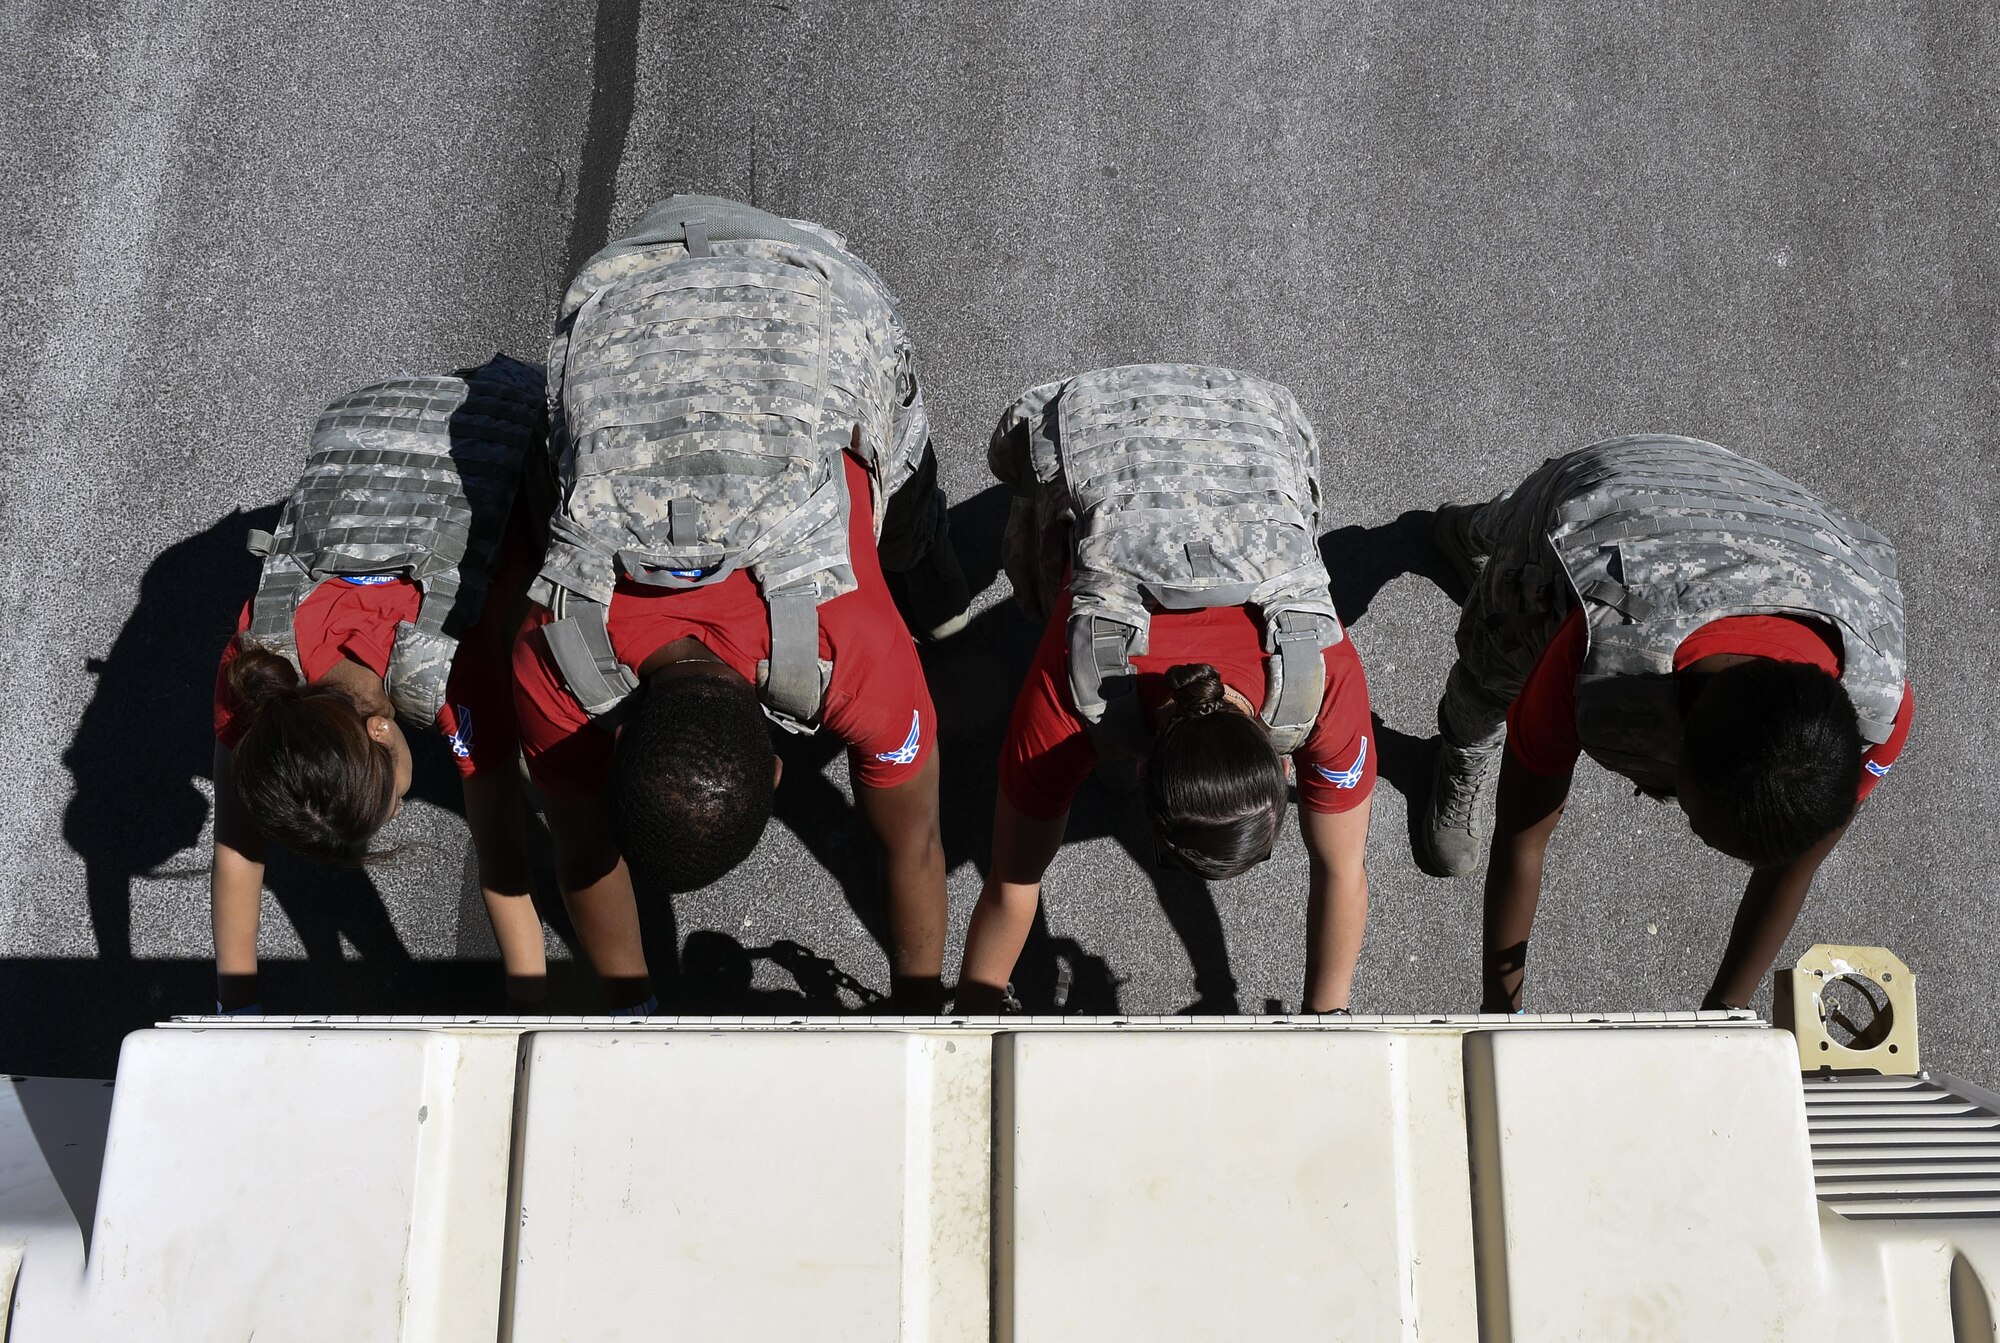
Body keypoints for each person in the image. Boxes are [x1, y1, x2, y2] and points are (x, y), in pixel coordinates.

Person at [511, 195, 969, 1014]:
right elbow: (914, 843)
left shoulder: (857, 651)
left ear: (778, 762)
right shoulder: (553, 649)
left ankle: (937, 588)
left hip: (813, 279)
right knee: (549, 473)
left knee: (902, 502)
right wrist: (915, 1007)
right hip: (626, 285)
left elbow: (920, 844)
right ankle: (932, 584)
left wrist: (924, 1007)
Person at [1419, 434, 1915, 1012]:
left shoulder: (1877, 713)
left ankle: (1487, 528)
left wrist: (1723, 1019)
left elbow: (1789, 871)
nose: (1690, 831)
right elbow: (1522, 834)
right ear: (1675, 744)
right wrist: (1502, 1017)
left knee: (1520, 549)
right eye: (1696, 822)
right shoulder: (1604, 652)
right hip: (1619, 486)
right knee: (1496, 654)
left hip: (1775, 523)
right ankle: (1477, 540)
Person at [956, 365, 1376, 1014]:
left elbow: (1344, 871)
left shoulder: (1324, 674)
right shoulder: (1071, 688)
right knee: (1040, 563)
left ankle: (1111, 754)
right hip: (1111, 416)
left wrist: (1328, 1014)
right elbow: (1008, 883)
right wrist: (1327, 1021)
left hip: (1258, 418)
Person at [210, 356, 552, 1012]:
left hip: (505, 413)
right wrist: (236, 1011)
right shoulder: (258, 656)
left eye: (392, 800)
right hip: (376, 431)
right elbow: (236, 848)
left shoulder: (454, 665)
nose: (400, 808)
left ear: (380, 726)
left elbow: (503, 862)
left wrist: (531, 1019)